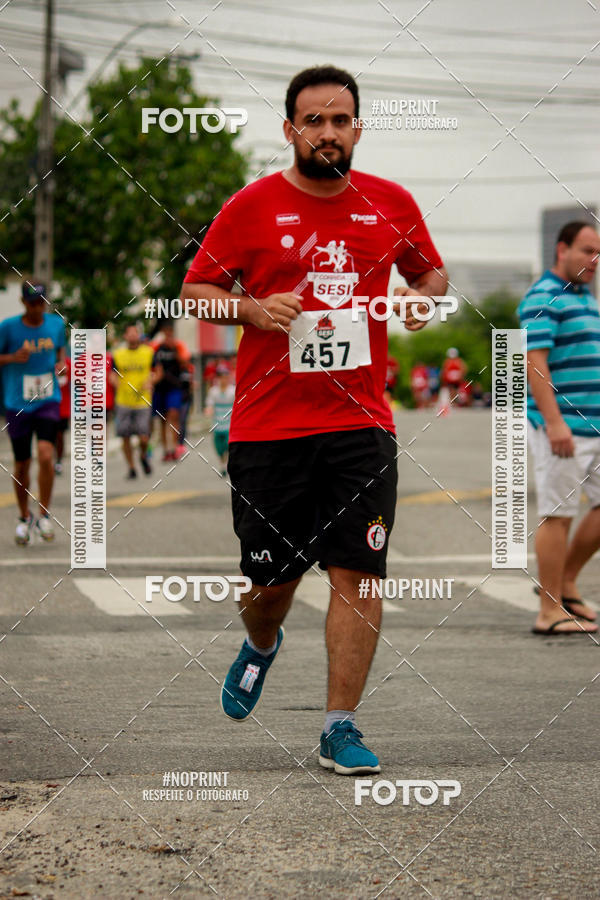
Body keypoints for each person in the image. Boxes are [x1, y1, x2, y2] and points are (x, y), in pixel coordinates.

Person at [181, 65, 447, 774]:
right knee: (270, 587)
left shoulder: (391, 203)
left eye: (340, 120)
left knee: (358, 573)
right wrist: (250, 308)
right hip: (269, 431)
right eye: (313, 120)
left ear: (357, 128)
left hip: (362, 428)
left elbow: (430, 272)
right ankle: (262, 644)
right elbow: (196, 292)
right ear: (291, 129)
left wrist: (424, 296)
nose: (327, 132)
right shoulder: (250, 207)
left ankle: (339, 726)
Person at [518, 220, 600, 636]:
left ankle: (565, 584)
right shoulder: (543, 296)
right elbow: (535, 364)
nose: (594, 260)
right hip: (561, 425)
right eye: (587, 251)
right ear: (562, 250)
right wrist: (554, 423)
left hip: (595, 424)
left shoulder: (586, 297)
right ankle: (549, 611)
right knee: (559, 514)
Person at [0, 280, 65, 544]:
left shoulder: (56, 325)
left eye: (41, 303)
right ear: (23, 302)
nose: (37, 308)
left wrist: (61, 364)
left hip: (48, 399)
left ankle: (44, 514)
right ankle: (24, 516)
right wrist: (12, 358)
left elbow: (61, 353)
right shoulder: (8, 328)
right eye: (32, 303)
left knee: (46, 455)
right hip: (17, 402)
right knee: (23, 463)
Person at [111, 324, 154, 479]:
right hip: (123, 400)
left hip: (142, 400)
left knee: (144, 436)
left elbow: (157, 372)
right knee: (125, 436)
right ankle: (131, 467)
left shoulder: (148, 352)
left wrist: (151, 381)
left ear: (139, 335)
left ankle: (143, 455)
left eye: (134, 333)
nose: (132, 336)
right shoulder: (118, 354)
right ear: (125, 336)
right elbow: (112, 375)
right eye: (129, 333)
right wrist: (116, 383)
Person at [151, 323, 190, 461]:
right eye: (165, 333)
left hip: (175, 387)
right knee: (162, 420)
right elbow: (153, 366)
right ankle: (166, 449)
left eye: (170, 333)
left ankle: (175, 447)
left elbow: (185, 363)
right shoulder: (157, 348)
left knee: (174, 415)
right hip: (160, 388)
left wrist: (175, 350)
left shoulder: (178, 346)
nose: (168, 336)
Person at [204, 363, 235, 475]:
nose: (223, 379)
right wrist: (209, 410)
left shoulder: (233, 390)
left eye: (225, 376)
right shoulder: (213, 391)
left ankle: (225, 464)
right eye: (220, 376)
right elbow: (209, 404)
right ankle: (222, 462)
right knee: (219, 448)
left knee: (228, 445)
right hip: (217, 424)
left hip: (229, 424)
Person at [55, 354, 71, 474]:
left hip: (63, 407)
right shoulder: (44, 361)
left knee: (60, 436)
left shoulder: (68, 364)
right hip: (44, 406)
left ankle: (58, 461)